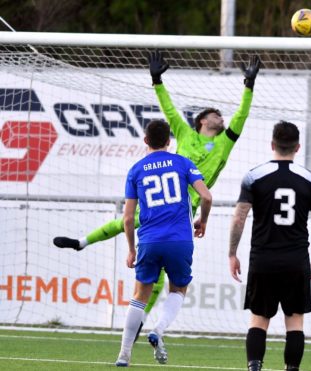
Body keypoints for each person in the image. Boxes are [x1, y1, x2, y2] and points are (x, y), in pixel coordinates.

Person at [54, 50, 261, 330]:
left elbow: (242, 114)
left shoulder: (225, 141)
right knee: (130, 221)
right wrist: (156, 80)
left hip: (184, 210)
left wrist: (248, 86)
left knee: (156, 265)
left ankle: (139, 322)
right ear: (202, 120)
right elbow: (169, 109)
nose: (221, 116)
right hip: (163, 200)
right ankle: (82, 243)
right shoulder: (186, 133)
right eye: (215, 113)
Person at [228, 121, 311, 371]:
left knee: (258, 320)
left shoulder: (254, 176)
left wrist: (232, 253)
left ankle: (254, 369)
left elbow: (239, 218)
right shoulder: (310, 179)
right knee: (294, 323)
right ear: (298, 147)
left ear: (272, 144)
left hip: (263, 259)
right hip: (296, 260)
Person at [115, 119, 212, 367]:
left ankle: (124, 354)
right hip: (180, 240)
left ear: (146, 140)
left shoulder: (136, 170)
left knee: (140, 295)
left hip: (149, 240)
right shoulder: (182, 162)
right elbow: (206, 196)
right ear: (169, 141)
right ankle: (158, 329)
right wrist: (203, 220)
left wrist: (131, 249)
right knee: (178, 289)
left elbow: (127, 218)